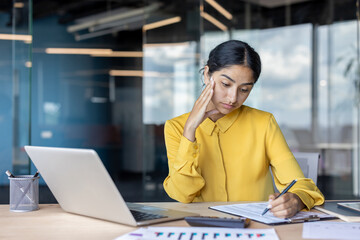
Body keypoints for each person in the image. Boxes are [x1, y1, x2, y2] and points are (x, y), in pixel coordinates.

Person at [163, 40, 324, 218]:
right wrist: (190, 131)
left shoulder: (263, 123)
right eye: (226, 84)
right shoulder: (176, 127)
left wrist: (295, 200)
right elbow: (182, 194)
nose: (233, 98)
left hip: (256, 228)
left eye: (244, 89)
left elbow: (302, 186)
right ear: (207, 74)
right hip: (204, 228)